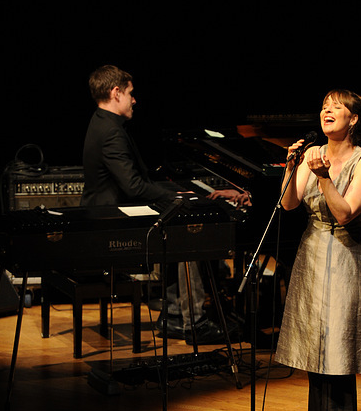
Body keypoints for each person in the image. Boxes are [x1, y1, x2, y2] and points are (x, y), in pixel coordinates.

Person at [81, 65, 248, 344]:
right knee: (188, 236)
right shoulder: (112, 132)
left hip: (110, 211)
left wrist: (175, 191)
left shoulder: (101, 122)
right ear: (116, 92)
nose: (134, 100)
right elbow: (133, 186)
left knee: (176, 225)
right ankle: (194, 322)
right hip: (111, 221)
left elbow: (135, 182)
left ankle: (173, 315)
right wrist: (175, 197)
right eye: (131, 94)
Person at [275, 89, 361, 411]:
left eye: (336, 107)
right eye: (323, 107)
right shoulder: (311, 153)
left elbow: (345, 213)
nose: (326, 111)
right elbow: (288, 204)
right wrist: (291, 166)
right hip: (313, 254)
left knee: (337, 351)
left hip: (345, 255)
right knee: (314, 349)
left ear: (353, 119)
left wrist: (324, 178)